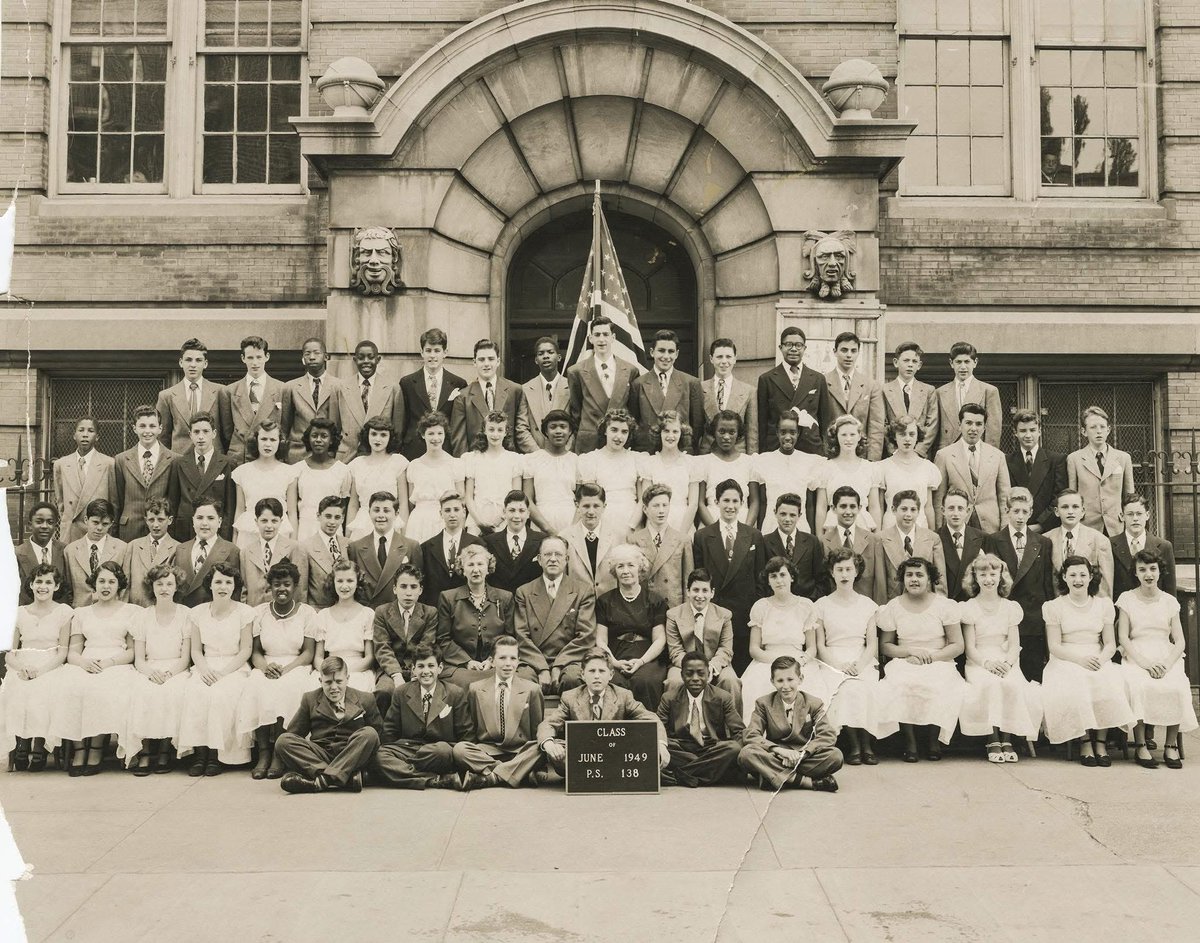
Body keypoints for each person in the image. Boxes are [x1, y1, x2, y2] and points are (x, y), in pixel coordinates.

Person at [1041, 556, 1134, 764]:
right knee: (1078, 683)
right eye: (1072, 575)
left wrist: (1101, 660)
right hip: (1066, 658)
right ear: (1064, 577)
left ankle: (1100, 742)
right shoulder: (1054, 607)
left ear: (1091, 577)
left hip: (1097, 656)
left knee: (1109, 681)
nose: (1078, 580)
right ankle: (1084, 741)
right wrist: (1080, 660)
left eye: (1083, 574)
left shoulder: (1103, 605)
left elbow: (1109, 643)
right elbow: (1054, 646)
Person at [52, 561, 137, 775]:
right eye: (101, 581)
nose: (106, 586)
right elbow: (73, 651)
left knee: (102, 689)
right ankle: (79, 749)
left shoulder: (131, 612)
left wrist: (110, 662)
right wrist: (83, 663)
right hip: (86, 661)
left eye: (111, 581)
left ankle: (97, 749)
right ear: (94, 584)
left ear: (120, 585)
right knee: (70, 687)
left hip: (116, 662)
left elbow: (132, 651)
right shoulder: (81, 613)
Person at [877, 556, 966, 760]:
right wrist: (909, 652)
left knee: (939, 684)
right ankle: (911, 743)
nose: (914, 579)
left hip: (939, 658)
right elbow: (886, 646)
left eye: (919, 575)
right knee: (902, 683)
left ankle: (933, 742)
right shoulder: (894, 606)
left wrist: (932, 658)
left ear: (929, 579)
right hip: (905, 659)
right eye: (909, 575)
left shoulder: (944, 605)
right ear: (903, 579)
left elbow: (957, 645)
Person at [235, 560, 319, 780]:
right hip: (267, 664)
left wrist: (287, 669)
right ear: (270, 587)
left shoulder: (307, 613)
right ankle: (264, 753)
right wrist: (265, 667)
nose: (282, 589)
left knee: (289, 689)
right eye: (277, 584)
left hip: (296, 665)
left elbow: (308, 653)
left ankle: (279, 754)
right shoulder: (259, 613)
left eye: (287, 584)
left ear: (295, 586)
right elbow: (255, 652)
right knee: (257, 686)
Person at [811, 547, 893, 765]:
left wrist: (860, 664)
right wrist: (840, 665)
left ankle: (868, 745)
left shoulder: (867, 605)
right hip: (832, 660)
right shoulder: (821, 605)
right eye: (840, 569)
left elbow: (872, 643)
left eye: (849, 569)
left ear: (856, 572)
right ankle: (855, 747)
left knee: (866, 687)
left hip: (862, 658)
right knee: (845, 689)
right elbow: (820, 645)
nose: (844, 574)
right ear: (832, 572)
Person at [958, 554, 1043, 764]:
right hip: (980, 661)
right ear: (974, 577)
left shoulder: (1010, 607)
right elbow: (970, 647)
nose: (988, 579)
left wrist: (1007, 663)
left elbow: (1014, 645)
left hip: (1005, 659)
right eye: (983, 574)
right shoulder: (969, 608)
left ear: (1001, 576)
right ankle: (992, 738)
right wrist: (987, 664)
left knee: (1011, 684)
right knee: (990, 684)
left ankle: (1007, 738)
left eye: (993, 574)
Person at [1116, 550, 1197, 770]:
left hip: (1165, 653)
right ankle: (1141, 744)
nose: (1148, 574)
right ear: (1136, 573)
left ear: (1160, 571)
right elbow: (1123, 636)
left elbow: (1179, 640)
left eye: (1153, 569)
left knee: (1177, 686)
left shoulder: (1170, 601)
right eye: (1142, 570)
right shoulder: (1127, 599)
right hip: (1136, 653)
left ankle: (1170, 745)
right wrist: (1144, 663)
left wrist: (1167, 664)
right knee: (1138, 685)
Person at [537, 648, 669, 780]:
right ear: (582, 675)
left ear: (611, 675)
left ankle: (605, 775)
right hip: (582, 755)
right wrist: (549, 744)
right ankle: (587, 776)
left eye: (601, 671)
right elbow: (549, 723)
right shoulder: (570, 697)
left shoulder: (623, 696)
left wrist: (661, 744)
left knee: (645, 750)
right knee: (555, 750)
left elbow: (651, 718)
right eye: (591, 671)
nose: (596, 676)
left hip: (614, 752)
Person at [176, 562, 254, 776]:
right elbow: (196, 651)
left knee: (221, 695)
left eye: (228, 582)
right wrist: (205, 670)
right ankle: (200, 754)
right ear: (209, 585)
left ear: (234, 586)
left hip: (234, 667)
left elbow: (246, 649)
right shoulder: (198, 613)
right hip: (206, 665)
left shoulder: (244, 612)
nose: (223, 586)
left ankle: (216, 755)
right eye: (218, 581)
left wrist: (224, 672)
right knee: (196, 692)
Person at [274, 656, 383, 793]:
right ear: (320, 681)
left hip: (351, 754)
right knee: (283, 741)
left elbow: (379, 734)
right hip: (321, 756)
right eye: (328, 682)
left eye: (339, 681)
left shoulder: (365, 699)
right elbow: (294, 733)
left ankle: (322, 781)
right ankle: (344, 778)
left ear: (347, 679)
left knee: (370, 733)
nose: (334, 687)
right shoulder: (310, 699)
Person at [2, 564, 72, 772]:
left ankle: (40, 744)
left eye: (49, 582)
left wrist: (40, 671)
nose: (43, 586)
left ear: (56, 586)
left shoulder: (64, 612)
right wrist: (21, 668)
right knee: (16, 687)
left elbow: (63, 652)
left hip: (50, 664)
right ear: (31, 585)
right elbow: (10, 652)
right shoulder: (19, 613)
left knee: (45, 689)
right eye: (39, 582)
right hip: (23, 663)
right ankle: (22, 742)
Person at [693, 479, 766, 675]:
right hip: (716, 613)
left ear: (742, 503)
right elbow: (700, 578)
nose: (730, 506)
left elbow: (761, 578)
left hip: (745, 615)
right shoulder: (703, 536)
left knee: (743, 671)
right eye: (726, 501)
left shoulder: (753, 535)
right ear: (717, 502)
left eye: (735, 501)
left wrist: (754, 609)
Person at [982, 487, 1056, 682]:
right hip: (1004, 616)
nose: (1020, 516)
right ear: (1007, 511)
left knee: (1032, 673)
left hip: (1033, 617)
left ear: (1031, 513)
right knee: (1006, 675)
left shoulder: (1043, 542)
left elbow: (1047, 583)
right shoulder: (993, 540)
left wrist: (1047, 617)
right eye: (1016, 511)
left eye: (1025, 512)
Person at [737, 655, 842, 792]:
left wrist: (802, 754)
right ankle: (804, 782)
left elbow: (827, 735)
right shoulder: (764, 703)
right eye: (780, 680)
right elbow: (751, 735)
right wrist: (779, 751)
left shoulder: (814, 703)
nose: (785, 686)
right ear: (772, 681)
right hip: (776, 756)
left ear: (800, 679)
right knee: (746, 753)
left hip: (803, 757)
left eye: (790, 679)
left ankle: (772, 776)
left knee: (835, 756)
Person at [452, 635, 545, 789]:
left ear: (518, 661)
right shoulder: (476, 689)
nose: (508, 664)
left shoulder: (532, 689)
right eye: (502, 658)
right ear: (492, 661)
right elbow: (473, 725)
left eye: (512, 658)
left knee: (540, 748)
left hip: (520, 751)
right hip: (489, 751)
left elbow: (537, 728)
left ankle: (493, 777)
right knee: (460, 750)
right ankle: (517, 773)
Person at [125, 564, 192, 774]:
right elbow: (139, 658)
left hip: (176, 669)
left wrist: (170, 674)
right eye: (159, 584)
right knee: (142, 692)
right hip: (149, 668)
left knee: (173, 693)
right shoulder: (142, 617)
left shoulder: (186, 615)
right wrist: (150, 673)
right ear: (151, 587)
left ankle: (164, 752)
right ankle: (144, 752)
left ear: (176, 587)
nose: (164, 588)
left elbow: (186, 657)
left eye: (169, 584)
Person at [373, 645, 469, 790]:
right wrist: (394, 753)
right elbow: (390, 731)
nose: (426, 671)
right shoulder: (401, 692)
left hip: (438, 749)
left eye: (431, 666)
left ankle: (401, 772)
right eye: (421, 666)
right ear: (413, 669)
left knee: (442, 751)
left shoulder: (455, 693)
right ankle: (433, 779)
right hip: (409, 747)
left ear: (440, 668)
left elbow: (466, 733)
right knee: (379, 756)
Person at [513, 536, 596, 695]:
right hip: (534, 660)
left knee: (573, 678)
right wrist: (542, 668)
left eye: (558, 555)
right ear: (539, 559)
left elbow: (585, 635)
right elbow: (521, 635)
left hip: (570, 659)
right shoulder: (524, 592)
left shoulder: (583, 591)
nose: (552, 559)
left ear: (566, 559)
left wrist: (558, 666)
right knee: (522, 680)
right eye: (547, 554)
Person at [740, 556, 817, 721]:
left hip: (798, 660)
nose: (779, 580)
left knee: (809, 687)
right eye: (773, 576)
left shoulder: (806, 605)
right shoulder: (761, 606)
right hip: (767, 660)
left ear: (792, 577)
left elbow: (811, 648)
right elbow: (754, 648)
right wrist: (777, 661)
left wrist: (800, 662)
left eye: (783, 575)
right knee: (758, 687)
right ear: (768, 581)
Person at [594, 543, 668, 710]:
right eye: (620, 566)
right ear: (614, 571)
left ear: (640, 568)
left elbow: (660, 639)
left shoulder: (655, 600)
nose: (625, 570)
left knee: (645, 681)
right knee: (613, 681)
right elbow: (600, 639)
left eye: (630, 565)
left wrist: (641, 662)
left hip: (648, 657)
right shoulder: (604, 601)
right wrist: (614, 663)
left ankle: (648, 730)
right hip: (615, 654)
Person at [656, 651, 745, 786]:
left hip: (711, 748)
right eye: (689, 673)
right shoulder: (669, 698)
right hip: (682, 749)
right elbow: (658, 729)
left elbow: (738, 731)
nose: (695, 678)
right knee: (660, 747)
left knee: (733, 748)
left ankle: (677, 776)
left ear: (708, 674)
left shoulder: (723, 697)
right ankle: (708, 772)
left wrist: (739, 753)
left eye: (701, 673)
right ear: (682, 675)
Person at [436, 544, 517, 687]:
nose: (476, 569)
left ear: (488, 568)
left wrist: (492, 659)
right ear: (463, 569)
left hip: (495, 665)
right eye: (470, 564)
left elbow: (509, 636)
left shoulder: (504, 598)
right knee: (466, 684)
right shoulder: (448, 598)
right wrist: (467, 662)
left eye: (480, 564)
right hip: (459, 666)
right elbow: (443, 639)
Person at [664, 569, 741, 708]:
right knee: (674, 682)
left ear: (712, 593)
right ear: (688, 591)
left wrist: (711, 667)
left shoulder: (724, 615)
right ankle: (675, 728)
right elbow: (675, 651)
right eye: (695, 590)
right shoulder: (673, 615)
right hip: (683, 664)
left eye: (705, 590)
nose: (700, 596)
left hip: (715, 665)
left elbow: (725, 649)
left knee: (731, 681)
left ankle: (734, 728)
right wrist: (694, 669)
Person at [756, 326, 834, 455]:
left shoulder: (817, 379)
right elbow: (762, 422)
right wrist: (763, 453)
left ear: (804, 349)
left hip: (810, 448)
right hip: (777, 448)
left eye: (798, 345)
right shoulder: (766, 379)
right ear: (781, 348)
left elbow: (825, 420)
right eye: (788, 344)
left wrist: (826, 451)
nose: (793, 349)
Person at [392, 327, 468, 460]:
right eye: (428, 351)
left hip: (445, 450)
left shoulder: (458, 383)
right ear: (421, 352)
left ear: (445, 352)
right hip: (414, 450)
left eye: (437, 351)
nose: (432, 355)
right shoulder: (407, 383)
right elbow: (401, 422)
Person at [933, 403, 1010, 534]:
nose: (973, 428)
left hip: (990, 526)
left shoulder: (997, 456)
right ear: (960, 425)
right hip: (956, 525)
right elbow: (938, 498)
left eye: (978, 424)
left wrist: (1005, 529)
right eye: (968, 423)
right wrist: (939, 530)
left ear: (984, 427)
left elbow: (1005, 496)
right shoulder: (944, 455)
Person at [371, 564, 438, 713]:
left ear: (420, 590)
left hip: (420, 667)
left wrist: (417, 672)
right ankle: (384, 733)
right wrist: (396, 675)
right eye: (403, 586)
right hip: (391, 669)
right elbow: (382, 647)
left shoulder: (429, 613)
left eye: (413, 587)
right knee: (384, 692)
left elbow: (426, 646)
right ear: (395, 589)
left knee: (423, 692)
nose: (408, 593)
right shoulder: (382, 612)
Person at [566, 315, 637, 454]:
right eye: (597, 335)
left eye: (606, 334)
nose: (601, 339)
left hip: (619, 440)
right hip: (589, 441)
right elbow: (576, 410)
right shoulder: (576, 371)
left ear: (613, 337)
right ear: (590, 338)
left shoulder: (630, 370)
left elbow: (632, 409)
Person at [627, 329, 704, 453]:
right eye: (661, 351)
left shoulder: (691, 383)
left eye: (671, 352)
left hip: (680, 453)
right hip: (647, 453)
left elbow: (698, 425)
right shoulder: (638, 384)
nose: (666, 356)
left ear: (677, 354)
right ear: (652, 352)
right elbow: (633, 423)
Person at [450, 339, 529, 456]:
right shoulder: (463, 397)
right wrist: (466, 467)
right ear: (474, 362)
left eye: (491, 359)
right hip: (476, 462)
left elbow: (520, 431)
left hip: (506, 462)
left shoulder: (515, 390)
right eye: (481, 359)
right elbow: (458, 440)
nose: (486, 364)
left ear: (498, 361)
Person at [1067, 406, 1136, 536]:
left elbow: (1130, 497)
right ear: (1084, 431)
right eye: (1093, 427)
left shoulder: (1123, 458)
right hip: (1087, 524)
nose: (1098, 431)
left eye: (1102, 427)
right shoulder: (1074, 459)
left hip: (1116, 525)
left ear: (1108, 430)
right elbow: (1072, 497)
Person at [347, 491, 424, 608]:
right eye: (376, 510)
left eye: (386, 511)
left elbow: (417, 587)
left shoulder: (411, 546)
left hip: (397, 614)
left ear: (396, 513)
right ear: (369, 513)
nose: (381, 515)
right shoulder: (356, 547)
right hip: (367, 613)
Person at [113, 404, 179, 541]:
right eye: (142, 426)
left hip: (160, 529)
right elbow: (117, 500)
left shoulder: (173, 459)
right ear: (134, 428)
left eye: (152, 426)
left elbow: (174, 499)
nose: (147, 431)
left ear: (160, 428)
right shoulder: (121, 460)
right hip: (129, 529)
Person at [752, 415, 826, 536]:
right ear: (777, 433)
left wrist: (812, 534)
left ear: (798, 433)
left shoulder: (810, 462)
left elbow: (810, 505)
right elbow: (762, 503)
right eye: (783, 432)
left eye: (792, 432)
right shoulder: (764, 460)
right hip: (771, 524)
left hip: (800, 524)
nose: (787, 437)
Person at [312, 559, 377, 695]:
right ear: (333, 582)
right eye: (340, 581)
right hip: (329, 669)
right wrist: (329, 672)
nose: (344, 586)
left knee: (355, 688)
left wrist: (345, 672)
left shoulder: (367, 614)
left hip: (357, 670)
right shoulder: (323, 615)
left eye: (350, 581)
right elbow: (318, 657)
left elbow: (369, 657)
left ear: (357, 582)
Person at [230, 420, 298, 549]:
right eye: (263, 439)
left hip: (279, 531)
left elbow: (292, 513)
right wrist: (235, 539)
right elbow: (239, 510)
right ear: (256, 441)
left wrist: (293, 543)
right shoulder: (243, 472)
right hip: (249, 532)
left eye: (273, 440)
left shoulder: (289, 473)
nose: (268, 444)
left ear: (280, 442)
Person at [218, 336, 285, 466]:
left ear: (267, 357)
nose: (255, 363)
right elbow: (227, 432)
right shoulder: (230, 391)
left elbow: (285, 427)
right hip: (239, 459)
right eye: (250, 358)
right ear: (243, 358)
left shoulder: (282, 389)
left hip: (269, 459)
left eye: (259, 357)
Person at [171, 411, 236, 542]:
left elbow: (230, 507)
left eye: (205, 431)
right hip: (186, 529)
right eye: (196, 432)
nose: (201, 437)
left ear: (214, 433)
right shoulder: (178, 464)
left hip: (215, 529)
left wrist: (225, 534)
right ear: (190, 435)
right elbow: (173, 502)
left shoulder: (227, 464)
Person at [873, 490, 947, 602]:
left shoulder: (932, 538)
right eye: (904, 509)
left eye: (913, 510)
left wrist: (940, 606)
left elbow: (939, 579)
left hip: (925, 603)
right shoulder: (881, 538)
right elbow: (880, 580)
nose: (908, 514)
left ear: (918, 512)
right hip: (894, 603)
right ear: (893, 510)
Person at [287, 417, 352, 543]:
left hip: (332, 528)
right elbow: (292, 510)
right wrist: (294, 540)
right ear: (308, 439)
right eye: (314, 435)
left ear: (332, 440)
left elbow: (345, 506)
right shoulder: (297, 469)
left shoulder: (343, 470)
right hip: (305, 528)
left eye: (324, 436)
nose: (318, 440)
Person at [330, 340, 396, 463]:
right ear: (355, 360)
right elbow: (334, 427)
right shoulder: (340, 387)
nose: (366, 361)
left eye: (371, 357)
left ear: (378, 359)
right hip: (346, 457)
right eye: (361, 358)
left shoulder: (392, 388)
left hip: (379, 458)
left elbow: (397, 429)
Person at [628, 483, 693, 607]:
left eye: (665, 505)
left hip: (673, 606)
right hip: (645, 607)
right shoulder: (634, 540)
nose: (661, 510)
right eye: (656, 506)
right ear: (645, 509)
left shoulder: (683, 540)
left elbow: (688, 582)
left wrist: (686, 613)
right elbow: (631, 581)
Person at [635, 410, 701, 533]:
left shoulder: (690, 463)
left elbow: (693, 504)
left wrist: (681, 534)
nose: (670, 436)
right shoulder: (649, 463)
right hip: (656, 525)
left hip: (683, 524)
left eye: (675, 431)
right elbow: (646, 500)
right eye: (666, 431)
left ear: (682, 433)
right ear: (659, 433)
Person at [157, 338, 225, 455]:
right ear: (181, 362)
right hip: (180, 460)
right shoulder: (167, 396)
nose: (193, 365)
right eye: (188, 360)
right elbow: (163, 437)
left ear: (205, 364)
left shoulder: (220, 392)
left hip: (212, 460)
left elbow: (226, 432)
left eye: (198, 360)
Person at [344, 417, 409, 540]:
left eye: (383, 435)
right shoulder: (357, 464)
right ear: (367, 436)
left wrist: (404, 535)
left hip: (390, 521)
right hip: (363, 523)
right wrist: (347, 535)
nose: (378, 439)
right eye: (373, 434)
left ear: (390, 438)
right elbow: (353, 504)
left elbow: (403, 503)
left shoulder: (398, 462)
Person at [53, 417, 117, 542]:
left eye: (90, 431)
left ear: (97, 437)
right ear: (74, 435)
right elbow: (60, 502)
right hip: (71, 532)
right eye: (81, 430)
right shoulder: (61, 464)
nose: (85, 435)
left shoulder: (108, 464)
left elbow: (114, 503)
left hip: (98, 530)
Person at [280, 337, 343, 463]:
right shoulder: (290, 387)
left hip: (328, 454)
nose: (312, 357)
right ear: (303, 358)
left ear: (326, 356)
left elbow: (341, 423)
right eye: (307, 354)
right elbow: (284, 424)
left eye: (316, 353)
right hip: (297, 453)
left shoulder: (339, 386)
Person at [825, 331, 886, 461]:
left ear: (858, 353)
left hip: (861, 456)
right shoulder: (823, 382)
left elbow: (876, 427)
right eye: (844, 350)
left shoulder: (871, 385)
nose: (849, 355)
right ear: (835, 351)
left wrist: (872, 461)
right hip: (831, 456)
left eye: (853, 351)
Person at [815, 415, 882, 532]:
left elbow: (874, 507)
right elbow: (821, 507)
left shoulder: (870, 468)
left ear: (859, 436)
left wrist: (877, 537)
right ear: (836, 437)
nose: (848, 439)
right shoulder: (825, 467)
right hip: (833, 527)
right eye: (843, 435)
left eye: (852, 434)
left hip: (863, 527)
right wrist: (820, 537)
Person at [405, 412, 464, 544]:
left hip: (446, 520)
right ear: (422, 435)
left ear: (444, 435)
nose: (435, 438)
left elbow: (461, 499)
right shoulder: (414, 465)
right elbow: (411, 502)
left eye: (439, 433)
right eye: (431, 433)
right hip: (419, 522)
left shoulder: (455, 464)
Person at [1006, 409, 1067, 533]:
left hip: (1047, 530)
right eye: (1023, 431)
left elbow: (1059, 497)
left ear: (1039, 431)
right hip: (1015, 528)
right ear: (1015, 433)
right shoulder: (1006, 461)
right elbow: (1004, 496)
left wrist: (1040, 525)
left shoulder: (1056, 460)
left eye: (1032, 430)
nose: (1028, 435)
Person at [463, 412, 525, 534]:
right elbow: (469, 497)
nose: (495, 434)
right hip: (477, 519)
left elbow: (516, 496)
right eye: (491, 429)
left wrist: (503, 520)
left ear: (506, 432)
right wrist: (480, 522)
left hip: (505, 520)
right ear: (484, 431)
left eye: (500, 430)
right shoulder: (473, 458)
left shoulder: (514, 459)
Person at [1044, 489, 1114, 597]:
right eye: (1065, 507)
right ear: (1056, 511)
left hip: (1088, 608)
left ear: (1083, 511)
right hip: (1056, 607)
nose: (1070, 511)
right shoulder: (1046, 539)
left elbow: (1105, 586)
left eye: (1075, 507)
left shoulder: (1099, 540)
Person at [580, 409, 642, 532]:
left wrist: (632, 526)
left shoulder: (637, 459)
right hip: (603, 519)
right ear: (605, 431)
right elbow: (590, 498)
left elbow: (642, 499)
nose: (619, 436)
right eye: (614, 430)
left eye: (624, 432)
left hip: (631, 518)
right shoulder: (591, 459)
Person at [560, 483, 626, 596]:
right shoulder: (564, 537)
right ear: (577, 506)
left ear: (604, 506)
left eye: (596, 506)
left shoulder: (618, 536)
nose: (591, 511)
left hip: (611, 604)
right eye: (586, 506)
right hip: (578, 604)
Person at [418, 491, 483, 605]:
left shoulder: (477, 543)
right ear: (441, 513)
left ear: (464, 512)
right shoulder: (427, 547)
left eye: (456, 510)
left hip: (467, 609)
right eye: (447, 510)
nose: (452, 514)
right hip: (436, 608)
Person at [522, 409, 580, 534]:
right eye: (553, 427)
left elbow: (581, 501)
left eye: (563, 427)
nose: (558, 431)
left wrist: (572, 531)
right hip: (541, 523)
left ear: (570, 431)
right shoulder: (532, 459)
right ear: (546, 432)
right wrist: (548, 529)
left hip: (570, 522)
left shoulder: (577, 461)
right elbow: (527, 500)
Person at [935, 342, 1003, 448]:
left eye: (967, 362)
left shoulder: (989, 391)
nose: (963, 367)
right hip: (948, 452)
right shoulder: (940, 392)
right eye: (958, 362)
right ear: (951, 363)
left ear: (975, 362)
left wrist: (988, 457)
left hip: (977, 451)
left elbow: (993, 432)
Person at [173, 500, 241, 607]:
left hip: (214, 613)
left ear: (219, 522)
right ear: (193, 521)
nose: (204, 523)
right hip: (184, 613)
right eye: (199, 518)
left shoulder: (231, 550)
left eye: (210, 518)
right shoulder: (181, 549)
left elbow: (235, 591)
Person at [64, 499, 129, 608]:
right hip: (80, 612)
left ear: (111, 524)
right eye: (95, 522)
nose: (99, 528)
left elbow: (125, 588)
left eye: (105, 524)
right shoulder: (70, 550)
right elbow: (68, 588)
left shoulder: (122, 548)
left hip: (111, 612)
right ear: (86, 520)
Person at [697, 411, 758, 526]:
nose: (726, 437)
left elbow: (754, 502)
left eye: (732, 432)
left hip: (742, 522)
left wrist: (745, 530)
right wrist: (715, 532)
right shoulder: (704, 462)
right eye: (721, 431)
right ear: (714, 432)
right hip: (711, 523)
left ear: (738, 434)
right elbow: (700, 503)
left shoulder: (749, 462)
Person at [879, 417, 940, 530]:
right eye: (902, 434)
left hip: (920, 528)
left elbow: (928, 507)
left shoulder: (928, 468)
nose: (907, 439)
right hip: (891, 529)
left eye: (912, 434)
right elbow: (880, 507)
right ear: (894, 436)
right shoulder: (883, 467)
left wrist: (932, 536)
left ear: (918, 436)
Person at [820, 487, 880, 601]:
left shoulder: (872, 540)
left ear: (859, 508)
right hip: (835, 604)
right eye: (843, 506)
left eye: (852, 507)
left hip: (864, 603)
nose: (848, 512)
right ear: (833, 508)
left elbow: (879, 580)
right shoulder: (823, 541)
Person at [762, 493, 825, 601]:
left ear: (799, 515)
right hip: (776, 605)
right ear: (775, 513)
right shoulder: (764, 542)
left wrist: (809, 601)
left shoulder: (812, 541)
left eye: (792, 515)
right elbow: (761, 580)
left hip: (807, 603)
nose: (787, 519)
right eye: (783, 514)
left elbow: (822, 579)